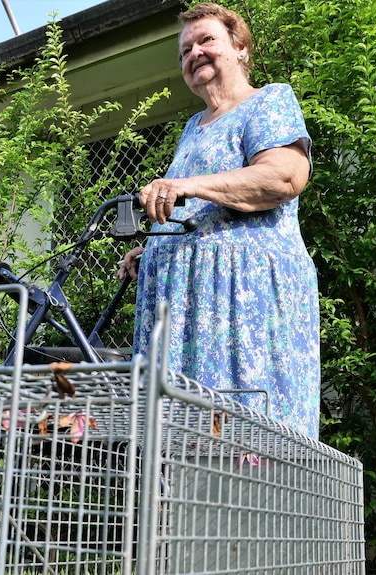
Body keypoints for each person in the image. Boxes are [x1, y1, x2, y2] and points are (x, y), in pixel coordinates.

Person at [118, 2, 320, 438]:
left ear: (241, 47)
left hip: (243, 300)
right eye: (185, 50)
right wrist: (154, 245)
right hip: (185, 309)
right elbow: (200, 210)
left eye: (206, 40)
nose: (194, 53)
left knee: (247, 435)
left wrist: (187, 186)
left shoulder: (268, 101)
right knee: (181, 444)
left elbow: (283, 176)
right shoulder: (194, 126)